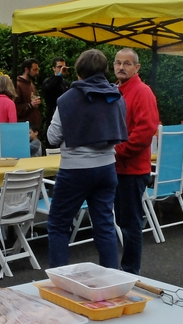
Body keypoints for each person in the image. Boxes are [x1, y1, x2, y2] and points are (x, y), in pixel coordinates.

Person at [46, 49, 128, 269]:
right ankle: (112, 277)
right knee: (104, 225)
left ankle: (60, 282)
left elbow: (52, 137)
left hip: (75, 169)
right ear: (104, 70)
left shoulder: (67, 99)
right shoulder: (116, 96)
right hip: (107, 167)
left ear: (79, 72)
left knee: (58, 225)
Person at [112, 48, 159, 275]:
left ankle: (131, 271)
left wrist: (118, 151)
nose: (121, 67)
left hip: (131, 169)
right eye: (118, 63)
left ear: (137, 67)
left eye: (127, 64)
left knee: (130, 225)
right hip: (118, 168)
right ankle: (123, 270)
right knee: (122, 222)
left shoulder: (142, 91)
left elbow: (146, 130)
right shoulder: (117, 91)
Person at [40, 57, 69, 146]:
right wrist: (58, 76)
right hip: (52, 116)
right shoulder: (49, 81)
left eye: (64, 67)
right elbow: (48, 89)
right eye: (59, 67)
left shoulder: (65, 83)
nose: (62, 69)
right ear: (53, 68)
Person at [14, 58, 42, 130]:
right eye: (34, 70)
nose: (37, 72)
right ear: (26, 70)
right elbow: (15, 108)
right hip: (23, 128)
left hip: (33, 127)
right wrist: (30, 105)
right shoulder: (17, 85)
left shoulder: (31, 84)